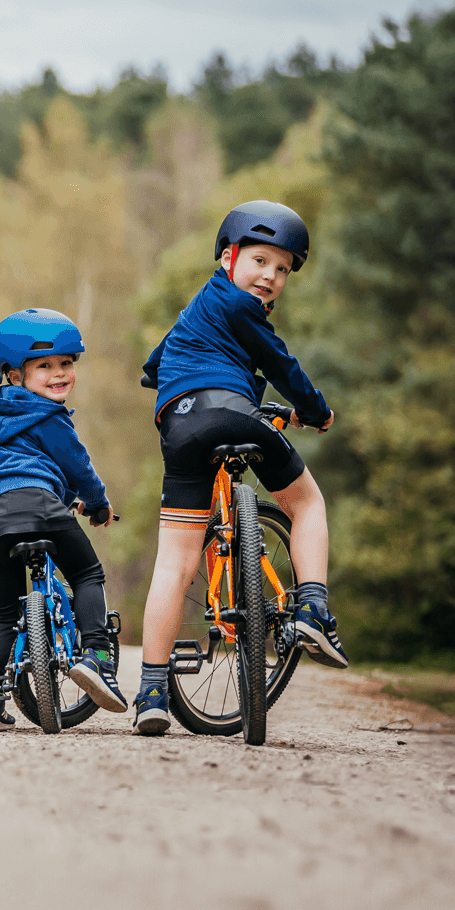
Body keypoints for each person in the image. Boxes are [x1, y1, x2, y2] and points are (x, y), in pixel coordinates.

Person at [131, 198, 342, 738]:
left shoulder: (200, 306)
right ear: (228, 257)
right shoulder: (240, 307)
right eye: (260, 261)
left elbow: (154, 366)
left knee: (174, 564)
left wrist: (172, 379)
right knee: (308, 503)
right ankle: (313, 609)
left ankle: (152, 692)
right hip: (236, 416)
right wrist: (315, 412)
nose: (270, 276)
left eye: (282, 269)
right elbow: (281, 366)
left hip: (179, 428)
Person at [0, 308, 126, 729]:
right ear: (16, 375)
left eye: (67, 364)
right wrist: (97, 503)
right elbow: (77, 466)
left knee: (2, 612)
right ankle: (97, 657)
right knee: (88, 574)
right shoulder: (50, 416)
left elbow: (20, 464)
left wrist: (64, 495)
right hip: (39, 505)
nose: (60, 374)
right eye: (45, 366)